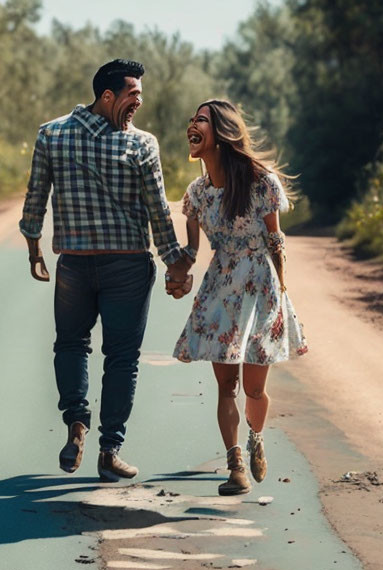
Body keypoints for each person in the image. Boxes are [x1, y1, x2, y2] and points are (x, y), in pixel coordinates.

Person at [19, 59, 193, 482]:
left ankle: (76, 422)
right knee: (121, 359)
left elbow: (35, 199)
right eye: (133, 94)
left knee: (71, 345)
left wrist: (34, 248)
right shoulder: (140, 145)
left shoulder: (52, 133)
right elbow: (157, 211)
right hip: (126, 268)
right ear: (108, 96)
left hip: (74, 266)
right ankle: (108, 449)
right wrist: (175, 264)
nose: (139, 102)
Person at [168, 99, 308, 496]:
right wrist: (178, 273)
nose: (192, 126)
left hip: (260, 288)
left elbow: (276, 240)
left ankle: (256, 438)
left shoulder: (260, 181)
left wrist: (282, 296)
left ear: (222, 133)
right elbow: (192, 253)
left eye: (201, 120)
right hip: (220, 291)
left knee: (254, 389)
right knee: (225, 386)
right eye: (191, 119)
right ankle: (235, 466)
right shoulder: (196, 194)